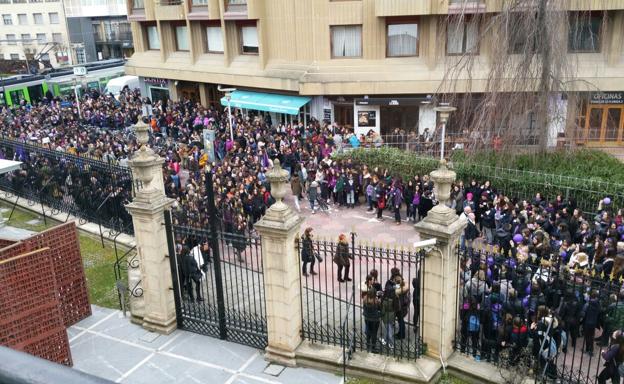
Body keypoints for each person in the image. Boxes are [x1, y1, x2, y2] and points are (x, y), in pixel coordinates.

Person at [363, 288, 382, 352]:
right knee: (374, 333)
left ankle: (368, 345)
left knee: (368, 331)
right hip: (375, 320)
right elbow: (380, 309)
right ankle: (373, 348)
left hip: (367, 318)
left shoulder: (365, 299)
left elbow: (364, 308)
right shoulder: (376, 301)